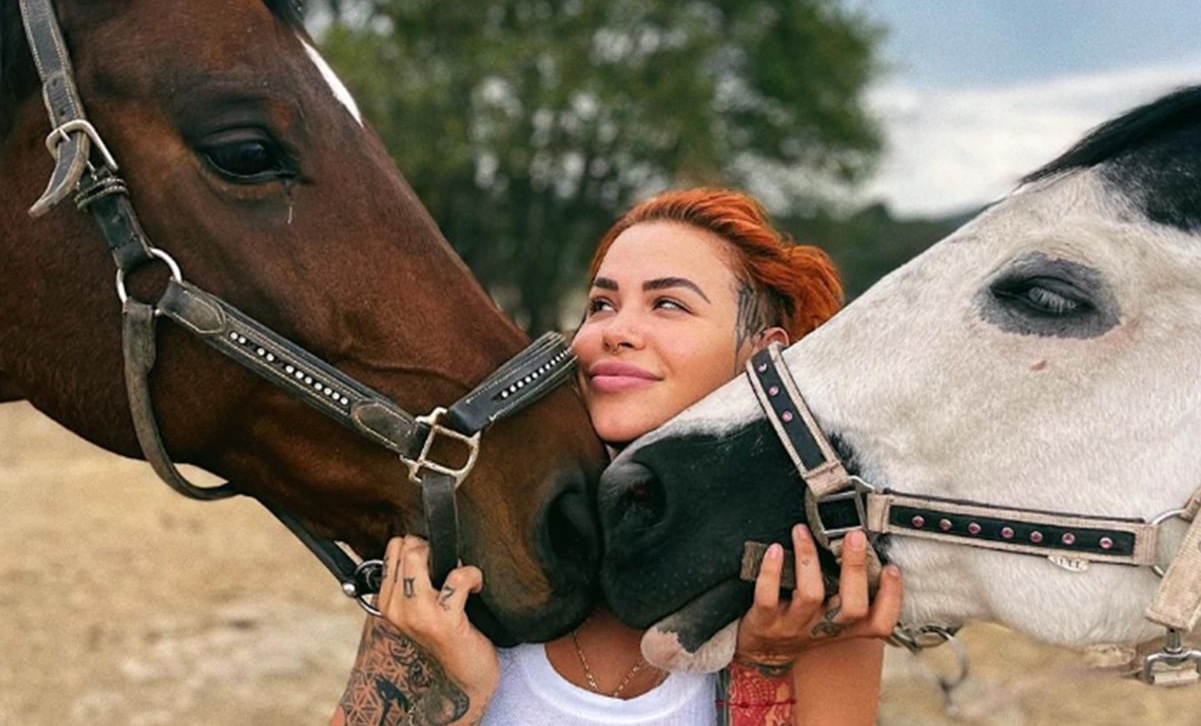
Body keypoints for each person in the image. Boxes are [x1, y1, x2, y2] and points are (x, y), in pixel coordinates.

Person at [331, 188, 904, 725]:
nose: (616, 330)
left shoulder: (811, 593)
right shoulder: (473, 540)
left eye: (669, 304)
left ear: (763, 356)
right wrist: (452, 691)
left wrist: (763, 669)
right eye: (602, 304)